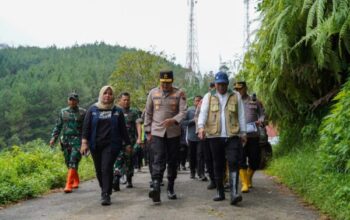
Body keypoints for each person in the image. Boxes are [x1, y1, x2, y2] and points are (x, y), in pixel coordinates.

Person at [198, 72, 247, 205]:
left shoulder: (235, 95)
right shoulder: (209, 97)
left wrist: (243, 133)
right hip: (214, 136)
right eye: (219, 84)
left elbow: (241, 115)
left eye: (223, 84)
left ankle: (234, 193)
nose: (221, 86)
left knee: (233, 162)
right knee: (218, 164)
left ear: (227, 84)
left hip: (233, 135)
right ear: (215, 84)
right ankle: (220, 192)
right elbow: (203, 113)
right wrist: (201, 127)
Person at [80, 86, 131, 206]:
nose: (107, 95)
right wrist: (84, 142)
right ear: (101, 95)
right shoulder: (92, 109)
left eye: (110, 93)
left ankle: (105, 195)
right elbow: (86, 127)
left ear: (113, 96)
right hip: (95, 144)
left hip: (112, 145)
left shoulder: (117, 111)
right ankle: (106, 188)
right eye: (105, 93)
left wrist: (128, 144)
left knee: (106, 167)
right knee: (99, 170)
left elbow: (123, 130)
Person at [144, 70, 187, 203]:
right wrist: (147, 131)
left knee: (172, 161)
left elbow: (183, 112)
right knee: (158, 158)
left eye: (168, 83)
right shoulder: (153, 93)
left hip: (173, 132)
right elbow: (148, 113)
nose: (165, 85)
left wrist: (173, 120)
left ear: (172, 81)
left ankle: (171, 187)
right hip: (157, 131)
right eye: (163, 83)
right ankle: (156, 187)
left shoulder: (179, 93)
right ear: (160, 81)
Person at [50, 92, 86, 193]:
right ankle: (76, 180)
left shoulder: (83, 113)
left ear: (77, 101)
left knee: (73, 160)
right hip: (66, 140)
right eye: (70, 99)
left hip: (78, 140)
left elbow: (87, 127)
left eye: (74, 99)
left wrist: (86, 141)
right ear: (68, 101)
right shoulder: (63, 112)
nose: (72, 101)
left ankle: (68, 185)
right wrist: (53, 138)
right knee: (68, 161)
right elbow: (58, 126)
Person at [234, 81, 265, 193]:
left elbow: (262, 114)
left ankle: (248, 177)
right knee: (241, 159)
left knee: (255, 160)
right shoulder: (233, 101)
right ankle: (244, 184)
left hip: (253, 135)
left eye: (240, 89)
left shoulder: (255, 101)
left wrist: (260, 121)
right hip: (239, 135)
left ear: (246, 88)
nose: (238, 91)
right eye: (236, 89)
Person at [112, 92, 142, 191]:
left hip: (130, 142)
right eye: (124, 100)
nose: (126, 102)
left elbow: (138, 125)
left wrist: (139, 138)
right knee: (118, 160)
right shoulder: (115, 111)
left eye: (128, 100)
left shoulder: (134, 112)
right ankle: (116, 178)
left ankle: (129, 179)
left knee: (129, 162)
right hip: (118, 141)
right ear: (120, 100)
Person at [182, 95, 207, 180]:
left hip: (201, 137)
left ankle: (201, 173)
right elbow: (183, 122)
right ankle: (192, 172)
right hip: (191, 137)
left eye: (200, 100)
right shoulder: (189, 111)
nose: (198, 102)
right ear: (194, 102)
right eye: (196, 100)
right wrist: (192, 121)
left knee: (200, 155)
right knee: (192, 155)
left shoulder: (205, 110)